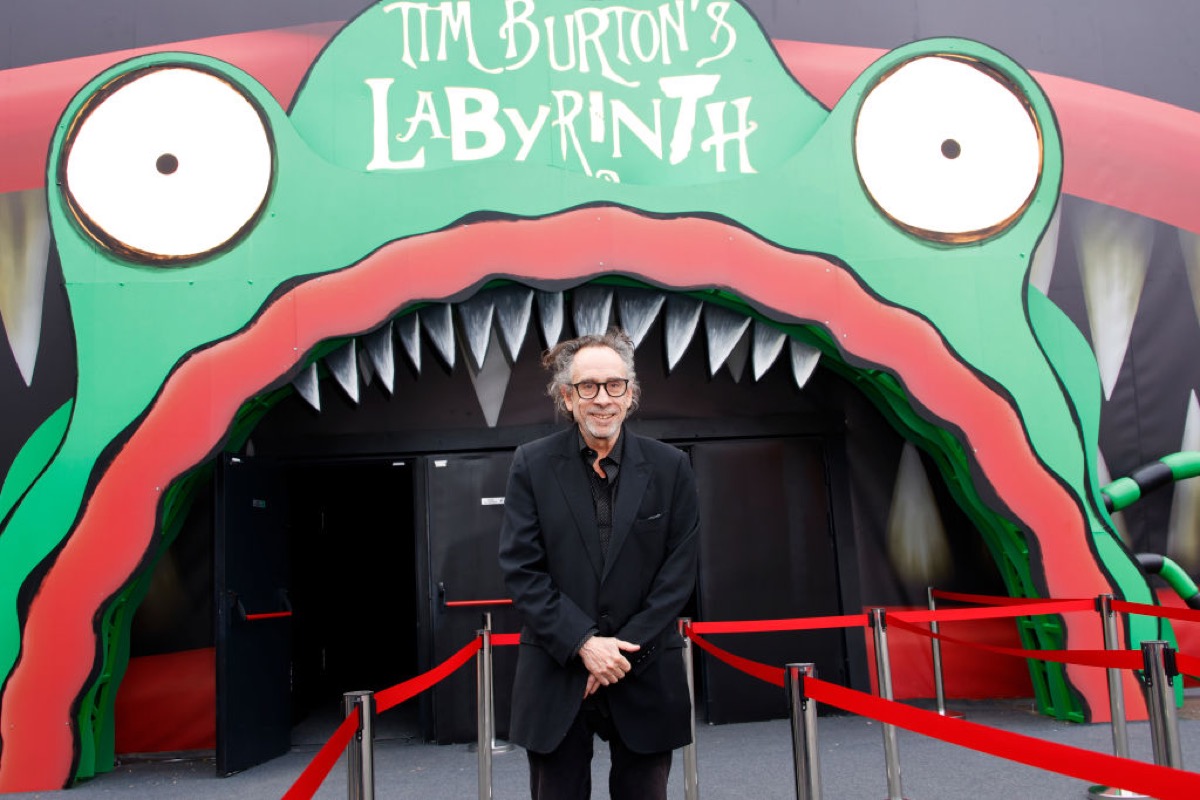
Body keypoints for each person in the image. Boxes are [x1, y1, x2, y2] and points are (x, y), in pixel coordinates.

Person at [498, 329, 700, 800]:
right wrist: (584, 644)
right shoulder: (531, 464)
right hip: (557, 670)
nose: (602, 399)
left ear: (631, 394)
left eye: (615, 385)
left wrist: (616, 653)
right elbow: (523, 570)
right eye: (588, 387)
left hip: (644, 670)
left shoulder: (671, 467)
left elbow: (678, 575)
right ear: (567, 397)